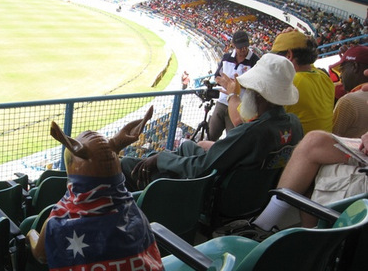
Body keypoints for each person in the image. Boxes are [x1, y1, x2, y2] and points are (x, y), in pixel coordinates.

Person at [216, 68, 368, 238]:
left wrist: (232, 95)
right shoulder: (322, 81)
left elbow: (239, 121)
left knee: (315, 157)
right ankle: (302, 235)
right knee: (314, 143)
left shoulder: (301, 84)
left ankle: (271, 226)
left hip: (263, 156)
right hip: (289, 149)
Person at [121, 53, 304, 191]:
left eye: (247, 89)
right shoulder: (294, 125)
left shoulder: (252, 132)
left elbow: (200, 169)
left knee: (128, 164)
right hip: (254, 196)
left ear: (258, 95)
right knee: (187, 147)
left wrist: (161, 158)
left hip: (217, 195)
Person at [270, 29, 335, 134]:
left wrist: (233, 95)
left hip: (296, 149)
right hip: (321, 146)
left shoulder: (289, 84)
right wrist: (286, 39)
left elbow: (241, 119)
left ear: (289, 56)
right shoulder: (324, 77)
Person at [207, 30, 259, 141]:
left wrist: (237, 85)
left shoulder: (255, 61)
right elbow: (217, 76)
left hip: (239, 106)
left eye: (245, 46)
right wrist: (226, 83)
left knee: (232, 139)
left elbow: (256, 83)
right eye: (240, 47)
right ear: (234, 45)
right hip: (222, 102)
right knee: (211, 134)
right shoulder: (226, 58)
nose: (243, 50)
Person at [330, 45, 368, 138]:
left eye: (342, 70)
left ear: (355, 67)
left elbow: (332, 139)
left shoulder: (348, 102)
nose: (341, 76)